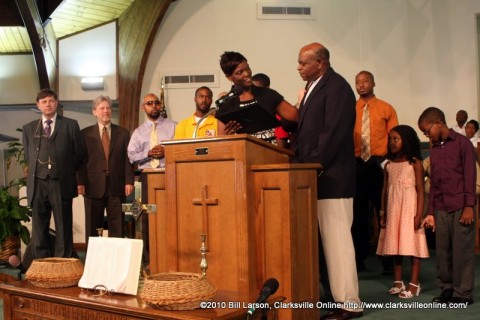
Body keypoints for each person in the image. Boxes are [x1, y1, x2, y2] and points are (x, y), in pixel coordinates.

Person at [294, 42, 363, 320]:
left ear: (320, 63)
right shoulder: (314, 86)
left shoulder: (337, 87)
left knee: (338, 243)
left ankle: (350, 303)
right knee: (327, 245)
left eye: (303, 62)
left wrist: (314, 164)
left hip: (332, 177)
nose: (298, 67)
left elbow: (333, 132)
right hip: (319, 177)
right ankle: (337, 297)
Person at [419, 107, 476, 305]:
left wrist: (469, 205)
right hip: (441, 206)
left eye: (427, 131)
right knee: (443, 252)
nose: (426, 135)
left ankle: (463, 293)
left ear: (438, 123)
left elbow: (470, 175)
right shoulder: (434, 149)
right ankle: (447, 288)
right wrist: (431, 212)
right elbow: (434, 183)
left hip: (461, 206)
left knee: (462, 251)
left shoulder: (463, 144)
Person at [22, 89, 85, 262]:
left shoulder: (70, 125)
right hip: (38, 183)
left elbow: (79, 153)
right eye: (44, 101)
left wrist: (64, 169)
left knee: (63, 225)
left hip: (61, 182)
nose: (48, 104)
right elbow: (29, 156)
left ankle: (63, 263)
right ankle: (42, 263)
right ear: (38, 105)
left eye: (51, 100)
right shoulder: (29, 129)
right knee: (39, 227)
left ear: (56, 103)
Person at [352, 70, 399, 273]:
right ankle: (358, 259)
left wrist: (391, 162)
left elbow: (395, 137)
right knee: (357, 214)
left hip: (380, 162)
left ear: (373, 83)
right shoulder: (350, 109)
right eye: (358, 82)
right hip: (356, 163)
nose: (361, 85)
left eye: (365, 81)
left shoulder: (386, 108)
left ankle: (388, 260)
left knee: (384, 211)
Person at [376, 125, 429, 298]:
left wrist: (419, 214)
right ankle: (398, 282)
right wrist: (382, 212)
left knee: (413, 245)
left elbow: (421, 190)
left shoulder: (415, 164)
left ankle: (414, 283)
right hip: (393, 210)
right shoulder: (389, 165)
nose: (392, 142)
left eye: (396, 139)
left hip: (410, 209)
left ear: (406, 141)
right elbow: (384, 189)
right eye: (390, 139)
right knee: (396, 245)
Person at [77, 95, 134, 241]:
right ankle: (94, 259)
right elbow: (81, 161)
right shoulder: (84, 134)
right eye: (102, 108)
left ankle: (117, 259)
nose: (106, 111)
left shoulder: (123, 133)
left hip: (116, 185)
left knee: (117, 225)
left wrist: (129, 181)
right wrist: (80, 183)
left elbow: (128, 159)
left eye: (108, 108)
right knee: (93, 225)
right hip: (92, 186)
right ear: (94, 111)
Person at [216, 51, 298, 137]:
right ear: (229, 77)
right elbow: (222, 142)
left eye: (247, 68)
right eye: (240, 72)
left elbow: (299, 118)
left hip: (269, 150)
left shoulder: (268, 95)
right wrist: (231, 136)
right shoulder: (226, 104)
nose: (247, 73)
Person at [127, 93, 176, 169]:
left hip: (170, 171)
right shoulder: (138, 132)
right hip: (146, 174)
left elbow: (182, 150)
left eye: (157, 103)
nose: (154, 106)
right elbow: (131, 156)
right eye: (149, 103)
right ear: (143, 108)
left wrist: (167, 152)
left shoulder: (174, 126)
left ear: (160, 106)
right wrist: (148, 154)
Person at [251, 73, 291, 148]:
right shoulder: (251, 113)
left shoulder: (277, 115)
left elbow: (281, 147)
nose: (254, 93)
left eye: (258, 90)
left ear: (268, 89)